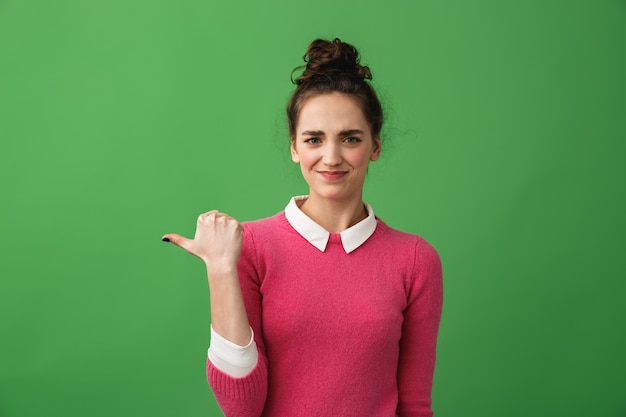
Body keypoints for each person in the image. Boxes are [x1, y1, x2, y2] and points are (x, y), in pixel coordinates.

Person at [162, 38, 443, 417]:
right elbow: (241, 408)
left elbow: (414, 405)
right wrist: (221, 269)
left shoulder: (415, 260)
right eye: (314, 139)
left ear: (375, 146)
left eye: (350, 139)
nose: (331, 157)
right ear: (295, 147)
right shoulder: (249, 247)